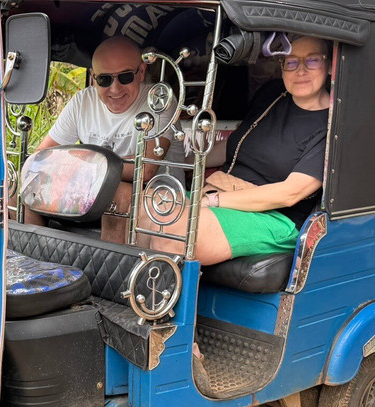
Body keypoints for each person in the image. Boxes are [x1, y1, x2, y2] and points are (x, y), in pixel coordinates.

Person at [139, 34, 331, 264]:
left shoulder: (331, 125)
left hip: (276, 217)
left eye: (312, 61)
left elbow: (289, 194)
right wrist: (187, 161)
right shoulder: (272, 95)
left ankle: (155, 296)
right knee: (148, 203)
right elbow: (235, 145)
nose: (300, 70)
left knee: (177, 229)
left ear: (329, 65)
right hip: (227, 196)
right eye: (291, 62)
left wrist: (213, 201)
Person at [27, 36, 169, 240]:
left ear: (141, 72)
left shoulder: (159, 101)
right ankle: (41, 263)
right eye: (105, 79)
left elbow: (145, 168)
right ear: (93, 77)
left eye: (125, 76)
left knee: (119, 193)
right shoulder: (83, 101)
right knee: (28, 188)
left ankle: (112, 270)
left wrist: (83, 165)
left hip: (157, 198)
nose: (115, 89)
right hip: (93, 193)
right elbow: (40, 157)